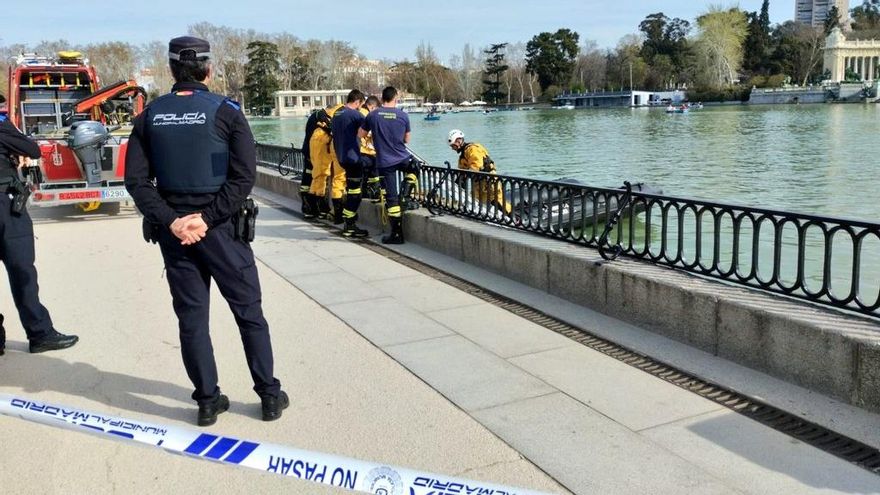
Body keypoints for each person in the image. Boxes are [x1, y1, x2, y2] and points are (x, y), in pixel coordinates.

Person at [124, 36, 287, 427]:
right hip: (222, 230)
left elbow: (136, 181)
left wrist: (173, 221)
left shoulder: (150, 116)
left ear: (171, 70)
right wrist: (209, 218)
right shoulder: (226, 111)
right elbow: (244, 177)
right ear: (208, 70)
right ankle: (268, 396)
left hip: (176, 235)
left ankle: (208, 401)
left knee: (191, 319)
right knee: (249, 313)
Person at [0, 94, 79, 356]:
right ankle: (40, 333)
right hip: (5, 207)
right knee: (22, 270)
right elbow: (32, 149)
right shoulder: (1, 124)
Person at [358, 86, 411, 244]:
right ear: (395, 98)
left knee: (391, 199)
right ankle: (407, 192)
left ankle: (396, 234)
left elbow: (361, 134)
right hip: (402, 158)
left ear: (382, 99)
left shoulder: (373, 115)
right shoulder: (403, 115)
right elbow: (407, 140)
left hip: (385, 162)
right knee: (414, 168)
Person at [331, 90, 370, 237]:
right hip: (353, 157)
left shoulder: (337, 114)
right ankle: (350, 223)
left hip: (341, 157)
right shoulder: (354, 114)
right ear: (358, 102)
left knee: (350, 188)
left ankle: (349, 219)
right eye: (361, 104)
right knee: (355, 193)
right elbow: (367, 129)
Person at [447, 129, 510, 215]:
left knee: (497, 201)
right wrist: (458, 182)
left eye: (453, 146)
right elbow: (462, 170)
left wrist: (465, 175)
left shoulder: (472, 149)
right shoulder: (463, 155)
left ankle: (514, 219)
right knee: (474, 200)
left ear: (458, 141)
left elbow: (476, 166)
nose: (452, 148)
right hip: (478, 182)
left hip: (488, 179)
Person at [308, 101, 346, 223]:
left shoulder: (333, 110)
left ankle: (319, 209)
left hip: (318, 139)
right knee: (324, 174)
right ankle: (325, 210)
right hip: (323, 140)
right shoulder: (343, 110)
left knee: (318, 174)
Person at [359, 96, 382, 202]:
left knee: (363, 177)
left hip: (359, 151)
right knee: (374, 174)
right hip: (366, 151)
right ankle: (375, 192)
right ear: (372, 107)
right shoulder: (367, 115)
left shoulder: (359, 112)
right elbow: (369, 133)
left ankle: (365, 193)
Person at [299, 109, 320, 219]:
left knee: (306, 179)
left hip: (308, 151)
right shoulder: (320, 118)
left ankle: (306, 206)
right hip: (312, 153)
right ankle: (310, 206)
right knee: (311, 179)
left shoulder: (313, 117)